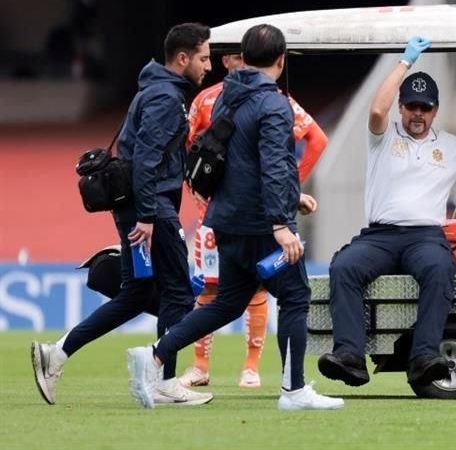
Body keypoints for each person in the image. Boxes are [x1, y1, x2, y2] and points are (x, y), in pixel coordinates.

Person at [126, 23, 342, 411]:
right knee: (295, 297)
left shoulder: (226, 97)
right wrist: (281, 223)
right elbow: (275, 165)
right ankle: (293, 391)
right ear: (281, 59)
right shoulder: (274, 104)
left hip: (225, 220)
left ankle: (156, 353)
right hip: (261, 221)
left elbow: (240, 162)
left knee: (227, 303)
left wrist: (294, 198)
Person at [31, 23, 212, 406]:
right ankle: (163, 382)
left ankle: (57, 353)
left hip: (136, 206)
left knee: (135, 295)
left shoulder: (154, 90)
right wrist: (147, 216)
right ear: (183, 58)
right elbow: (146, 160)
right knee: (178, 294)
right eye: (204, 58)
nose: (208, 66)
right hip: (152, 210)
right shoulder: (165, 98)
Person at [318, 35, 456, 388]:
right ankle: (350, 356)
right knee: (345, 267)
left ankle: (423, 357)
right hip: (381, 236)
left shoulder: (451, 145)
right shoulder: (384, 136)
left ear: (435, 109)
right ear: (401, 107)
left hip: (425, 237)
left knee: (439, 268)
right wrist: (405, 60)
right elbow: (375, 110)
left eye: (425, 107)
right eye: (412, 106)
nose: (418, 114)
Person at [179, 53, 329, 389]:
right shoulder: (237, 100)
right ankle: (210, 367)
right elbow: (191, 152)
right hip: (250, 216)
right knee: (223, 291)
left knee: (235, 293)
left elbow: (315, 141)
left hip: (225, 215)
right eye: (234, 56)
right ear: (228, 60)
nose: (240, 62)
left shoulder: (220, 100)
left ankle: (248, 367)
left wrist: (291, 190)